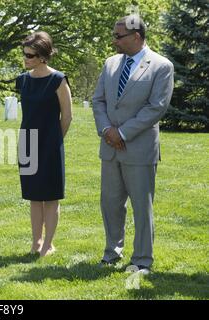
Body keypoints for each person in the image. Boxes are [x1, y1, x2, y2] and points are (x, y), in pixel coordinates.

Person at [92, 15, 174, 274]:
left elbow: (156, 108)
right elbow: (99, 101)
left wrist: (123, 133)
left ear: (136, 36)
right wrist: (106, 130)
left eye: (119, 36)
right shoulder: (110, 64)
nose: (114, 41)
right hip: (109, 147)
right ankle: (111, 253)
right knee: (110, 203)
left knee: (141, 206)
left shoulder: (161, 66)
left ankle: (141, 260)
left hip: (138, 148)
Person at [16, 32, 73, 257]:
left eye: (30, 55)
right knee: (33, 196)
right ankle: (35, 243)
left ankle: (49, 244)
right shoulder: (22, 80)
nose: (25, 58)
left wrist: (54, 141)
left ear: (42, 56)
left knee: (50, 196)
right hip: (27, 143)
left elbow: (67, 117)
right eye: (24, 54)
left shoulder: (58, 80)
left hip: (50, 144)